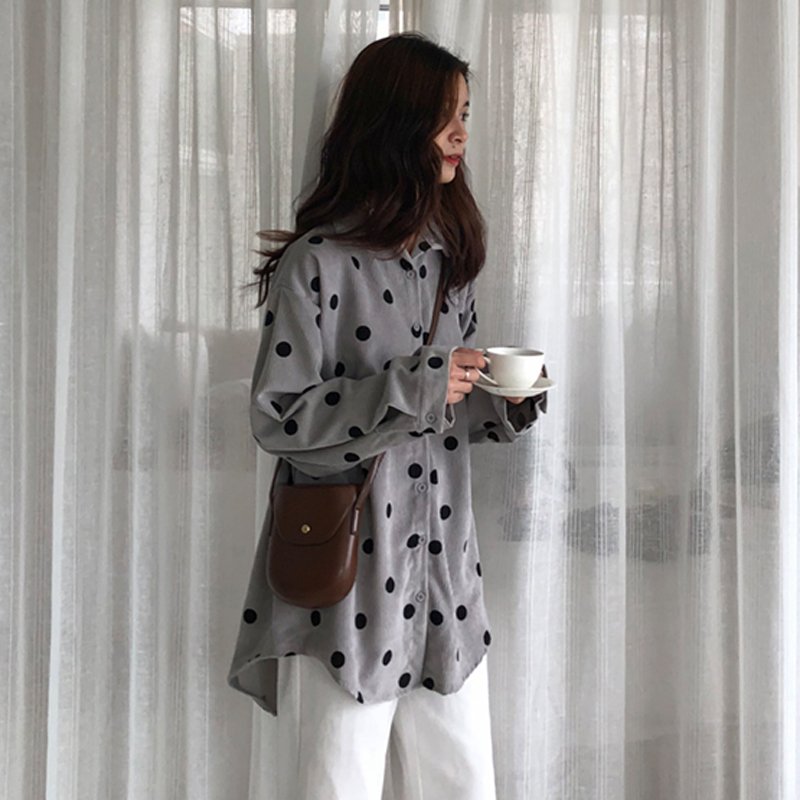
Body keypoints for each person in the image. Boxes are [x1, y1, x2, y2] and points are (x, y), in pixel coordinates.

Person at [228, 32, 547, 800]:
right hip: (349, 585)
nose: (462, 133)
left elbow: (443, 411)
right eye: (446, 116)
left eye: (465, 115)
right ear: (395, 122)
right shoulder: (317, 263)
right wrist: (419, 384)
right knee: (337, 785)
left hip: (443, 581)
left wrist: (502, 404)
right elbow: (280, 419)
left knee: (465, 785)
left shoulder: (449, 260)